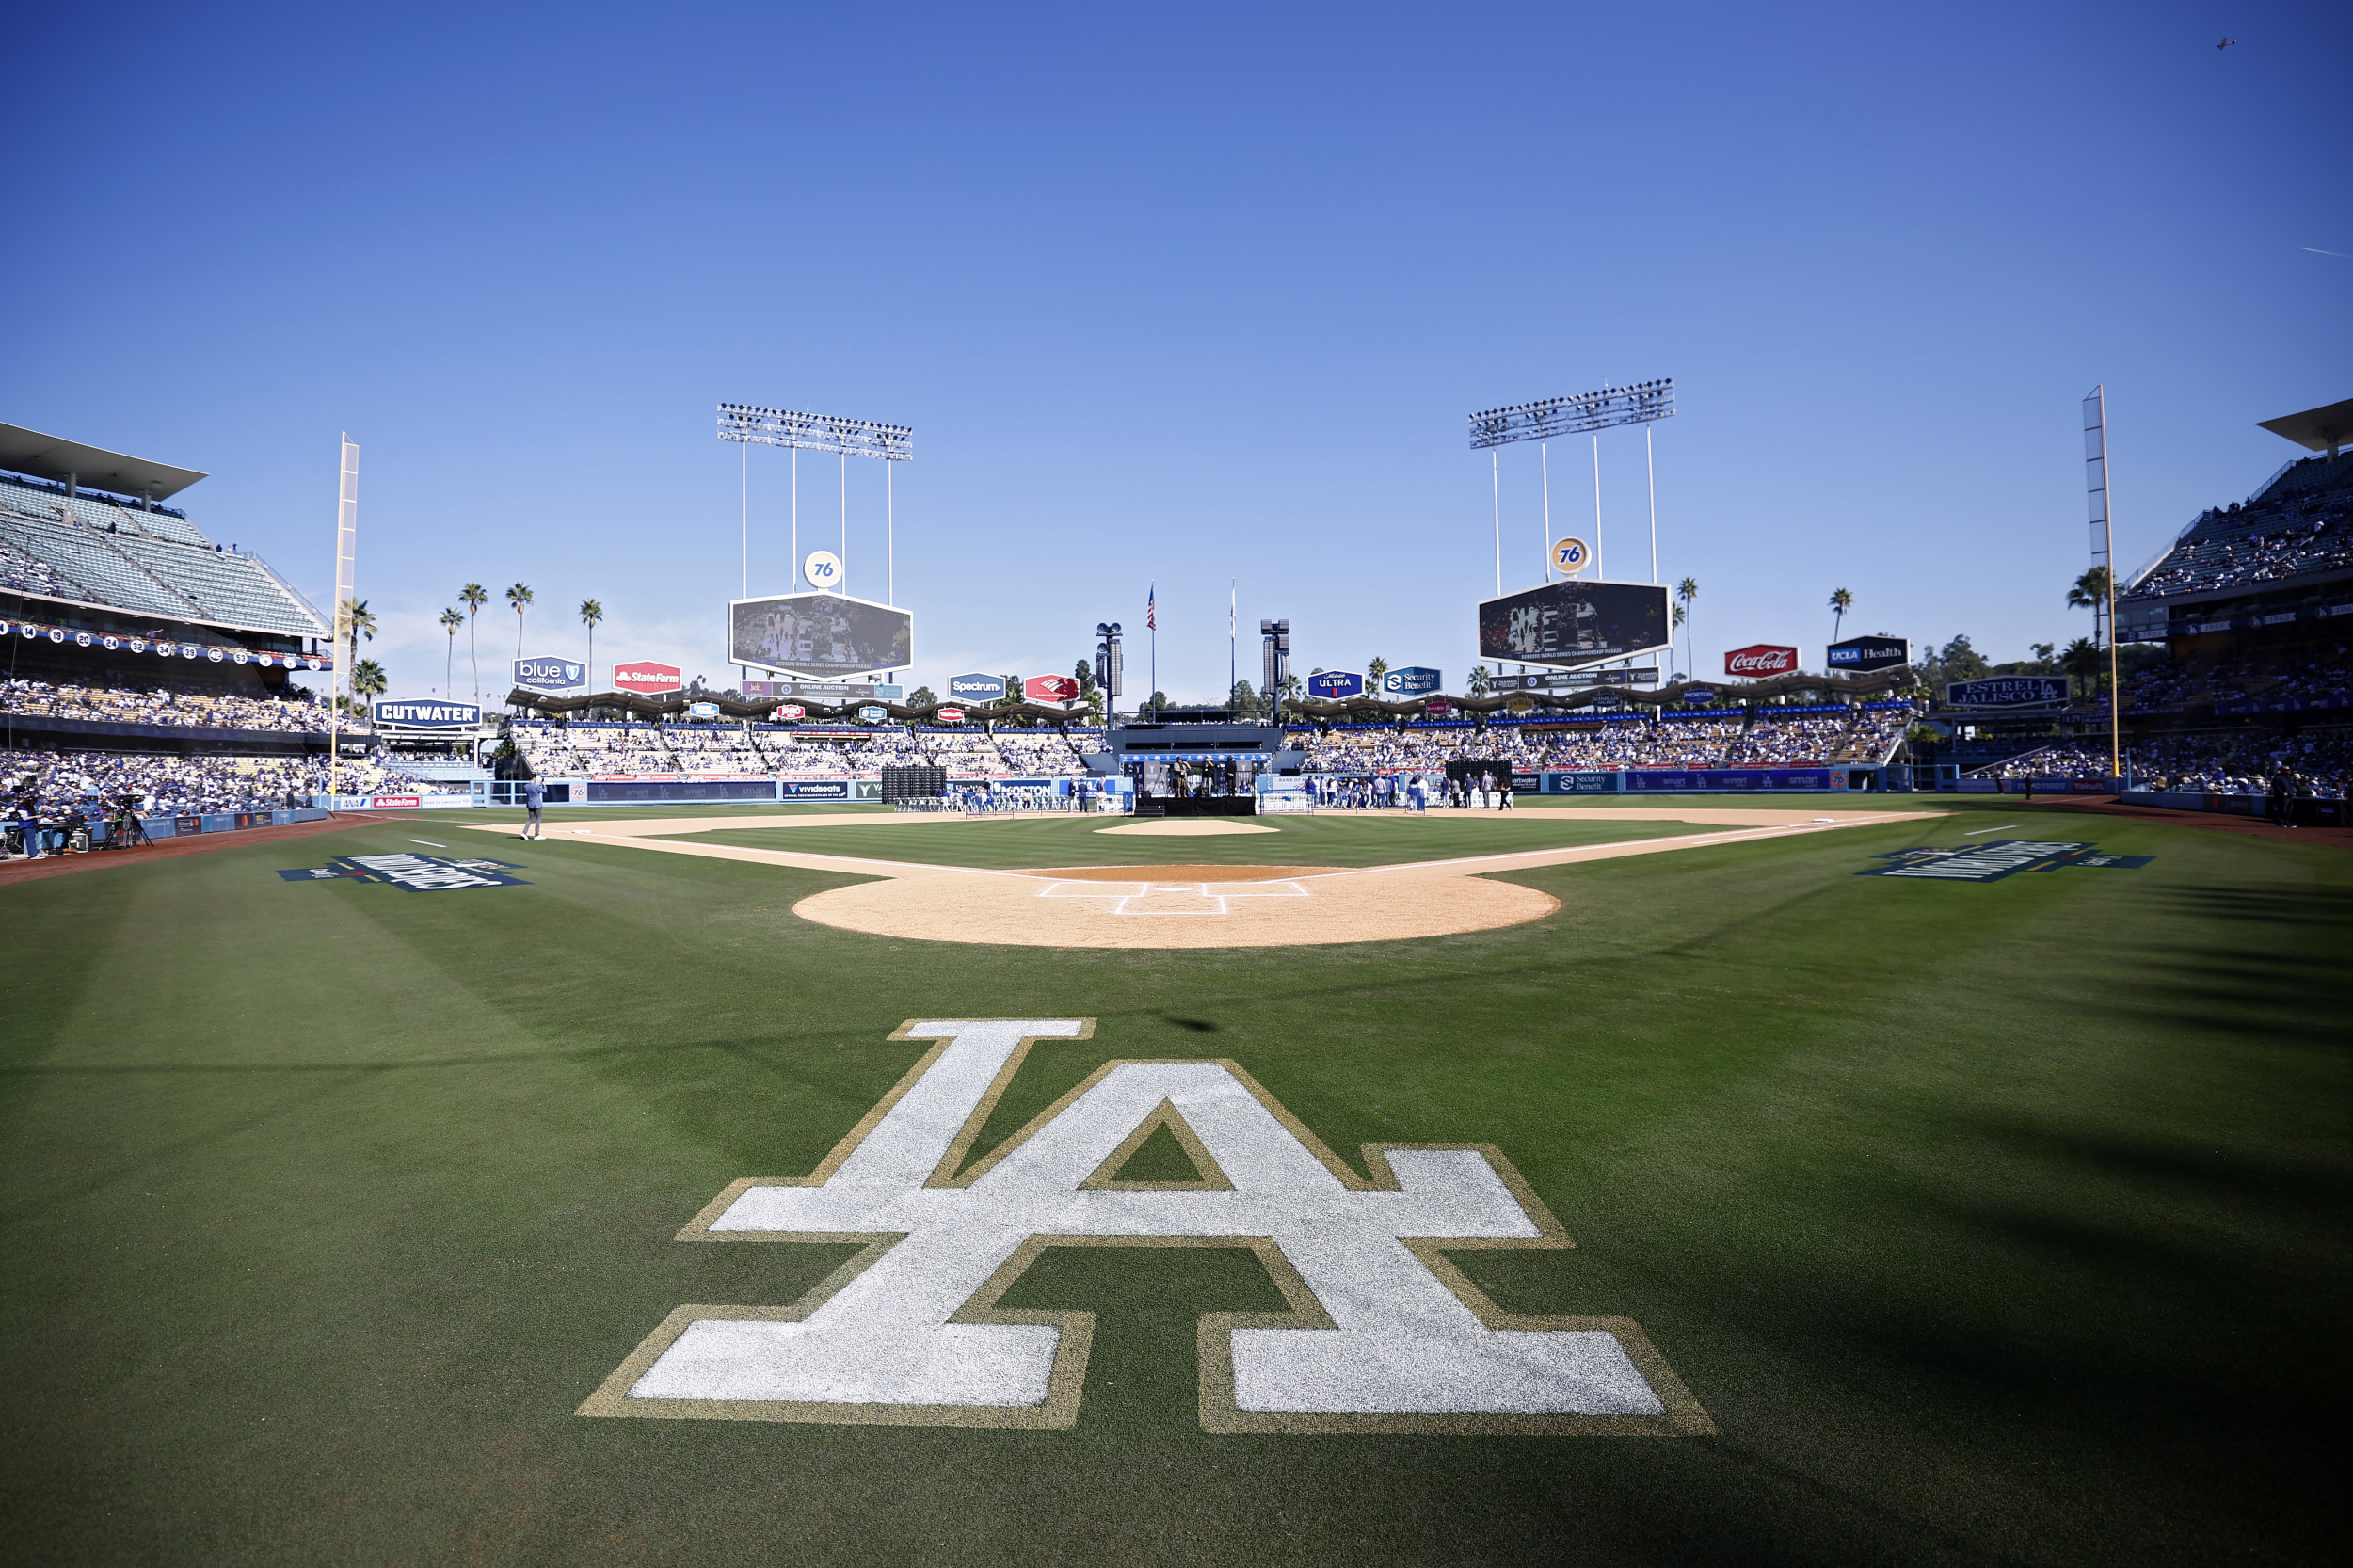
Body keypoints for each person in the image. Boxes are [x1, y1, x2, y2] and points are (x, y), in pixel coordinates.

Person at [522, 776, 546, 840]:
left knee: (530, 819)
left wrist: (539, 785)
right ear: (533, 778)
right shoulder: (536, 786)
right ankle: (537, 834)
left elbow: (533, 789)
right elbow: (545, 791)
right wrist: (544, 785)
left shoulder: (526, 786)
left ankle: (524, 833)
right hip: (537, 804)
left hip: (530, 804)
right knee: (538, 819)